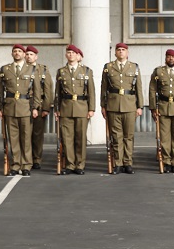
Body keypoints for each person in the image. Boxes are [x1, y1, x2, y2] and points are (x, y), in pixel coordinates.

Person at [101, 42, 144, 174]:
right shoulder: (108, 67)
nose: (121, 52)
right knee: (116, 136)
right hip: (113, 105)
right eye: (118, 50)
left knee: (128, 136)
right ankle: (118, 163)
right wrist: (103, 105)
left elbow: (139, 88)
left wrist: (140, 106)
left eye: (123, 50)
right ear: (115, 52)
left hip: (130, 105)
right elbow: (104, 88)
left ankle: (128, 163)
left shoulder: (134, 67)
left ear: (127, 52)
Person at [0, 44, 38, 176]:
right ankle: (15, 164)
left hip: (26, 107)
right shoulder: (5, 69)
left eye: (19, 51)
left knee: (26, 137)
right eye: (15, 51)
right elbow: (0, 90)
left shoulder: (31, 69)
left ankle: (26, 165)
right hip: (10, 107)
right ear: (12, 54)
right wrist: (0, 107)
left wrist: (35, 107)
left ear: (24, 54)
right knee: (13, 138)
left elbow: (36, 91)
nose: (17, 53)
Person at [55, 44, 95, 174]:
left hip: (82, 107)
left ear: (78, 56)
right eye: (68, 52)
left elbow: (91, 91)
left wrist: (91, 108)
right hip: (65, 107)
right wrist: (57, 109)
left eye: (73, 52)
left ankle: (80, 165)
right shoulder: (61, 71)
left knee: (80, 138)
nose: (70, 54)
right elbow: (58, 93)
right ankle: (70, 165)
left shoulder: (86, 71)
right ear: (66, 55)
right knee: (67, 138)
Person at [25, 46, 54, 170]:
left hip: (40, 105)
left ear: (36, 56)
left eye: (31, 54)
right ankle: (26, 159)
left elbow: (48, 89)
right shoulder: (22, 69)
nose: (29, 56)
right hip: (25, 104)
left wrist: (46, 108)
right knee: (26, 133)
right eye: (27, 54)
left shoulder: (43, 70)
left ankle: (37, 158)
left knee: (37, 134)